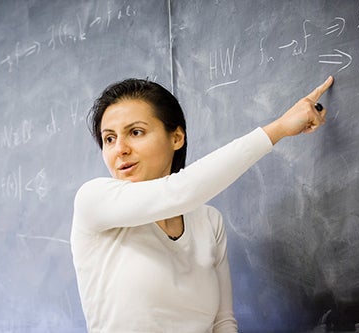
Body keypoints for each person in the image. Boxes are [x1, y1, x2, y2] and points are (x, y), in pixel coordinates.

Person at [70, 76, 334, 333]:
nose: (120, 149)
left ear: (176, 138)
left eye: (136, 132)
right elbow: (180, 192)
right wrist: (280, 128)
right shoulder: (93, 201)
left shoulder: (209, 221)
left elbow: (223, 322)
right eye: (109, 139)